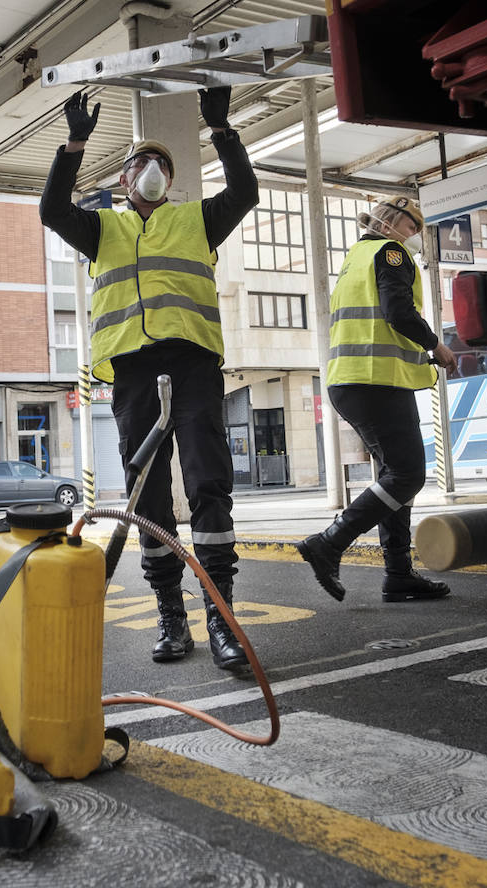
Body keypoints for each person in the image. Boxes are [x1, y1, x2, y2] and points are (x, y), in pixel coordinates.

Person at [40, 86, 258, 671]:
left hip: (191, 366)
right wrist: (75, 143)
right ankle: (171, 614)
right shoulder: (100, 229)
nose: (153, 170)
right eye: (142, 162)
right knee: (149, 496)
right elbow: (51, 211)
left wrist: (221, 128)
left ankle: (221, 617)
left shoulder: (197, 220)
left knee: (209, 484)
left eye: (163, 163)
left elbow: (245, 191)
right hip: (133, 375)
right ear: (123, 178)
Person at [295, 197, 458, 602]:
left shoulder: (356, 258)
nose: (414, 235)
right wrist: (436, 346)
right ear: (392, 223)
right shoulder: (390, 252)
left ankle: (399, 574)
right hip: (375, 382)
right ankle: (329, 542)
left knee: (395, 479)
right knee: (407, 476)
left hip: (357, 382)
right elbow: (397, 312)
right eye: (412, 226)